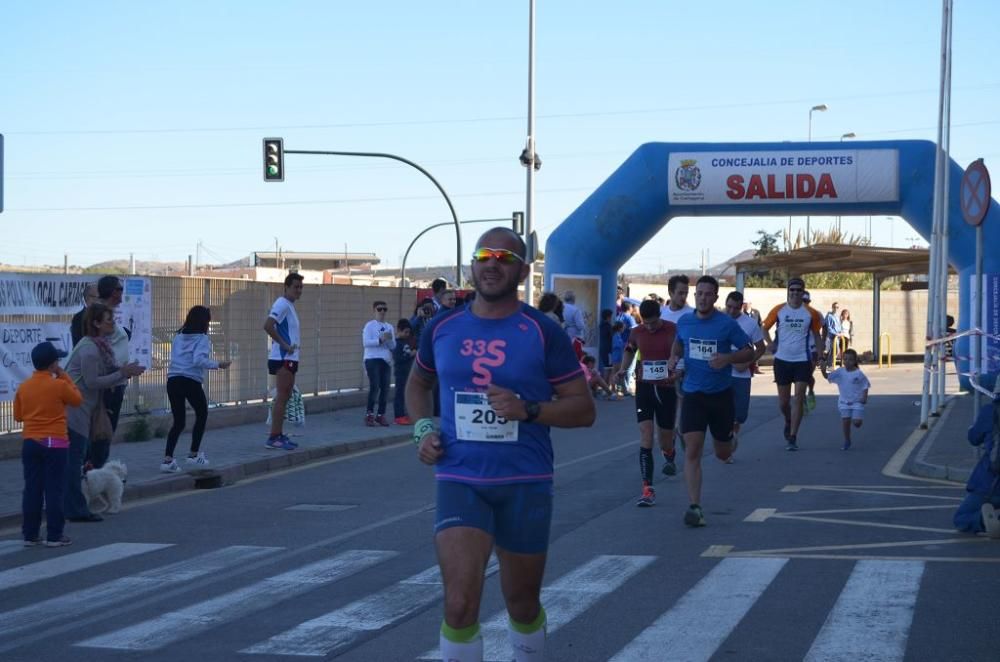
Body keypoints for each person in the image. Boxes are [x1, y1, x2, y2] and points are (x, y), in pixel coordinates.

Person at [406, 226, 595, 662]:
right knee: (459, 604)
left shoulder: (542, 332)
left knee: (522, 603)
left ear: (523, 270)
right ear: (472, 265)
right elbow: (417, 385)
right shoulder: (443, 326)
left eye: (504, 258)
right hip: (460, 477)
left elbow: (583, 409)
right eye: (484, 256)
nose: (492, 264)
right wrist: (422, 430)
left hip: (524, 481)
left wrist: (528, 409)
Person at [668, 276, 753, 527]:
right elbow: (678, 345)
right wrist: (673, 359)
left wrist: (727, 359)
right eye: (699, 293)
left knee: (722, 453)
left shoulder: (726, 324)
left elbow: (749, 350)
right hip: (693, 394)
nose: (703, 298)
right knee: (692, 450)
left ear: (716, 298)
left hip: (721, 397)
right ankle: (695, 506)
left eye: (708, 294)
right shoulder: (685, 321)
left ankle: (730, 440)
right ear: (695, 296)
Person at [65, 303, 145, 523]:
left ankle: (73, 506)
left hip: (83, 410)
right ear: (96, 323)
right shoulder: (90, 349)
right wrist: (122, 372)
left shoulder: (99, 347)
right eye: (108, 320)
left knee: (77, 460)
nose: (113, 324)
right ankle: (75, 508)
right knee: (74, 462)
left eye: (113, 319)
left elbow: (106, 375)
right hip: (76, 412)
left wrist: (124, 373)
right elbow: (91, 382)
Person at [611, 299, 679, 507]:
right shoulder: (636, 331)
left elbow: (681, 353)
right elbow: (630, 350)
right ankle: (647, 489)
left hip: (667, 388)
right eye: (646, 323)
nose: (649, 327)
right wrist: (623, 368)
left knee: (664, 439)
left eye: (653, 323)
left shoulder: (672, 330)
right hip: (645, 387)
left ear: (660, 316)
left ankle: (669, 452)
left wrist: (677, 368)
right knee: (646, 434)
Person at [14, 341, 82, 547]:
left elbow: (17, 416)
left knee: (32, 489)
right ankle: (54, 535)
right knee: (54, 489)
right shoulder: (59, 385)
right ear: (53, 364)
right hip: (55, 442)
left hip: (30, 442)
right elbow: (77, 399)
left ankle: (30, 534)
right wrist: (64, 375)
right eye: (57, 361)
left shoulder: (24, 387)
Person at [161, 306, 231, 473]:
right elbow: (198, 360)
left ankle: (167, 460)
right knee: (202, 413)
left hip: (173, 380)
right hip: (190, 380)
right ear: (204, 322)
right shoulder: (202, 338)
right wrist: (218, 364)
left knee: (179, 421)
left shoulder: (178, 336)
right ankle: (193, 455)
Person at [762, 278, 822, 451]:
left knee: (798, 399)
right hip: (782, 360)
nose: (795, 293)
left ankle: (793, 436)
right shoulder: (779, 310)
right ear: (788, 291)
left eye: (798, 290)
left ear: (803, 292)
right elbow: (764, 327)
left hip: (802, 361)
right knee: (783, 402)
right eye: (792, 290)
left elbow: (817, 335)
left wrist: (820, 355)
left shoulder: (811, 313)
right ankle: (788, 420)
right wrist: (770, 343)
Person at [87, 275, 132, 468]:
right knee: (102, 431)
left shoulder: (110, 314)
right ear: (113, 292)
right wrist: (119, 371)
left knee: (105, 431)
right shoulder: (102, 314)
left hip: (117, 380)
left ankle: (95, 471)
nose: (122, 292)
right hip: (109, 384)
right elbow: (98, 346)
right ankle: (94, 472)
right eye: (120, 289)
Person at [264, 272, 304, 450]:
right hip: (282, 357)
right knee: (281, 396)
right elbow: (268, 325)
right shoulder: (282, 304)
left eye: (301, 287)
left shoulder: (290, 306)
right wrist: (284, 345)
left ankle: (278, 434)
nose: (299, 290)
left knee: (286, 395)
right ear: (286, 287)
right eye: (295, 287)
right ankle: (273, 437)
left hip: (291, 357)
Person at [953, 386, 1000, 537]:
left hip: (991, 482)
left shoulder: (991, 411)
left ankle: (985, 521)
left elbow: (974, 438)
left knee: (961, 518)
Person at [724, 292, 766, 460]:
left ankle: (733, 433)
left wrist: (748, 362)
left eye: (735, 308)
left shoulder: (750, 324)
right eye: (729, 307)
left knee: (740, 414)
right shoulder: (719, 320)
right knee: (724, 411)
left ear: (742, 307)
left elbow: (761, 348)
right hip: (723, 374)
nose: (732, 311)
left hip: (742, 376)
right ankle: (727, 448)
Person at [819, 348, 870, 451]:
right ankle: (847, 440)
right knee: (845, 421)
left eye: (850, 359)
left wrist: (864, 397)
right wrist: (823, 369)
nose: (847, 362)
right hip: (844, 402)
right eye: (845, 359)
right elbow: (827, 376)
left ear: (855, 361)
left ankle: (856, 419)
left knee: (857, 423)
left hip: (857, 402)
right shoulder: (840, 372)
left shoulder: (858, 373)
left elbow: (865, 385)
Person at [363, 300, 395, 426]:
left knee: (385, 388)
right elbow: (366, 342)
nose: (382, 312)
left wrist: (389, 340)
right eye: (379, 309)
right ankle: (369, 414)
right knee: (375, 386)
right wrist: (379, 340)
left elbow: (393, 346)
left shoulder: (389, 327)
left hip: (385, 360)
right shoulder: (369, 326)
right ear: (374, 310)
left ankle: (381, 414)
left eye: (384, 309)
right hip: (372, 359)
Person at [801, 290, 823, 412]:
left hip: (812, 349)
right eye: (802, 301)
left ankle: (810, 391)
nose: (804, 303)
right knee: (799, 377)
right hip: (798, 350)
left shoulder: (815, 314)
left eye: (806, 301)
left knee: (807, 375)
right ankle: (802, 399)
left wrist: (823, 341)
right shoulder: (793, 313)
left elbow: (824, 327)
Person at [392, 318, 416, 425]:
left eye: (408, 332)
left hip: (408, 372)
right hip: (400, 372)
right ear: (399, 331)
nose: (407, 334)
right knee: (399, 394)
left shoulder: (406, 342)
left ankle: (405, 414)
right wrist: (410, 354)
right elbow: (398, 358)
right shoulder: (396, 343)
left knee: (406, 394)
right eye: (405, 332)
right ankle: (398, 415)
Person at [70, 283, 99, 348]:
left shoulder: (103, 315)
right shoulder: (78, 318)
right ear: (86, 298)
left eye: (99, 297)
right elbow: (79, 343)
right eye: (94, 297)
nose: (97, 300)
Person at [823, 301, 843, 369]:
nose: (836, 309)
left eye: (837, 307)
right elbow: (829, 327)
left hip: (837, 337)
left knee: (836, 351)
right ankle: (829, 365)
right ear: (832, 308)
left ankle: (830, 364)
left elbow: (839, 326)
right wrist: (836, 333)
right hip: (831, 337)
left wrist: (841, 333)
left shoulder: (838, 317)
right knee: (831, 351)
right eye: (834, 307)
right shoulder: (829, 316)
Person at [610, 320, 627, 396]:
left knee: (617, 373)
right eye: (623, 328)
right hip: (617, 357)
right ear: (620, 328)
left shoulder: (617, 335)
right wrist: (624, 344)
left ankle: (616, 389)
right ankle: (623, 390)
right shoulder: (616, 336)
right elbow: (617, 346)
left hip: (617, 356)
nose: (624, 329)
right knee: (619, 373)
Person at [598, 308, 613, 381]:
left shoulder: (601, 325)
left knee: (607, 367)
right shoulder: (608, 326)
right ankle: (606, 387)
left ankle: (606, 386)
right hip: (608, 350)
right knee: (608, 368)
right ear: (608, 317)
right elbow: (611, 336)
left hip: (603, 349)